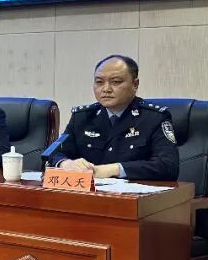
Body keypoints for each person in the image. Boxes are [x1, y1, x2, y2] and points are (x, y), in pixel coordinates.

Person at [47, 54, 179, 180]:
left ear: (135, 84)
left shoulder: (154, 118)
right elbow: (52, 154)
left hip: (133, 194)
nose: (106, 89)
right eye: (99, 82)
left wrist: (114, 169)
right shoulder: (82, 117)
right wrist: (65, 163)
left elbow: (168, 166)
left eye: (116, 82)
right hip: (89, 192)